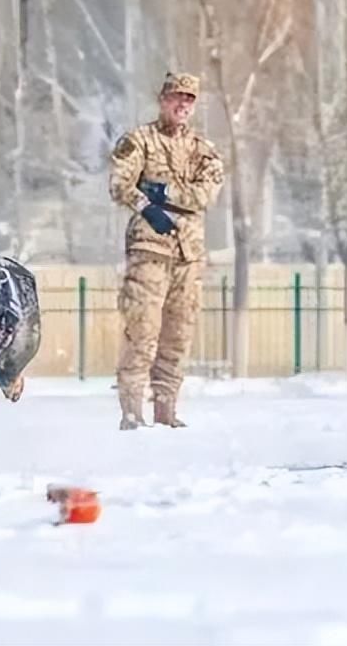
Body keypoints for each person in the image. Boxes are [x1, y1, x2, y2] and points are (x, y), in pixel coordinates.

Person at [108, 71, 225, 429]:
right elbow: (120, 185)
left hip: (188, 254)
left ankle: (166, 409)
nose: (182, 105)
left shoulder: (203, 150)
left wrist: (164, 193)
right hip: (149, 250)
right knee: (142, 332)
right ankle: (132, 411)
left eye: (189, 99)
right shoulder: (138, 141)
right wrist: (147, 206)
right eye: (176, 97)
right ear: (163, 100)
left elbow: (206, 196)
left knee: (178, 335)